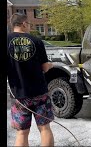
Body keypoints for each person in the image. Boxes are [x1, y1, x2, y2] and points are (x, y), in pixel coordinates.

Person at [7, 13, 54, 146]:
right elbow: (45, 68)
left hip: (19, 96)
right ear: (24, 24)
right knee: (44, 128)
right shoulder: (37, 41)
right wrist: (50, 65)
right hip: (40, 93)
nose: (29, 27)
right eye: (29, 24)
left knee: (22, 132)